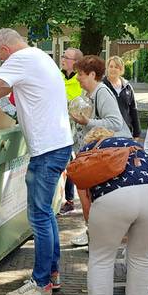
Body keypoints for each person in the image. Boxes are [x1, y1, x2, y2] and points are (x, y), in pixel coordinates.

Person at [0, 28, 73, 295]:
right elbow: (8, 89)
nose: (1, 63)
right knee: (47, 214)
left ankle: (40, 283)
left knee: (39, 216)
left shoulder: (21, 58)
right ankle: (52, 274)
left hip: (46, 150)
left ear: (5, 51)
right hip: (58, 145)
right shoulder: (40, 57)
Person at [78, 127, 148, 295]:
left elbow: (86, 206)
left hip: (114, 196)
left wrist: (100, 230)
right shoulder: (132, 145)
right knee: (142, 255)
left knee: (101, 256)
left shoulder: (86, 152)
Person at [68, 55, 132, 247]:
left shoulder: (101, 92)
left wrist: (87, 122)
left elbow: (115, 122)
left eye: (80, 74)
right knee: (92, 196)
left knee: (95, 196)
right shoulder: (90, 94)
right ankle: (96, 235)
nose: (77, 77)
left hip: (110, 155)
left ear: (92, 74)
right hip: (101, 155)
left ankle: (101, 238)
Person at [59, 48, 84, 215]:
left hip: (79, 128)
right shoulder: (56, 76)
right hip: (60, 127)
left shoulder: (81, 80)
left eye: (65, 57)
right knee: (65, 163)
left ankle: (85, 197)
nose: (62, 59)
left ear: (74, 62)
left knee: (80, 163)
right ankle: (67, 199)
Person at [103, 56, 141, 139]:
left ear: (121, 70)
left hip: (126, 132)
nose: (113, 69)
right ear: (107, 68)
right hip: (107, 132)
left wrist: (136, 133)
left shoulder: (127, 87)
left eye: (116, 67)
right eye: (111, 66)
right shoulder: (101, 86)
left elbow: (133, 109)